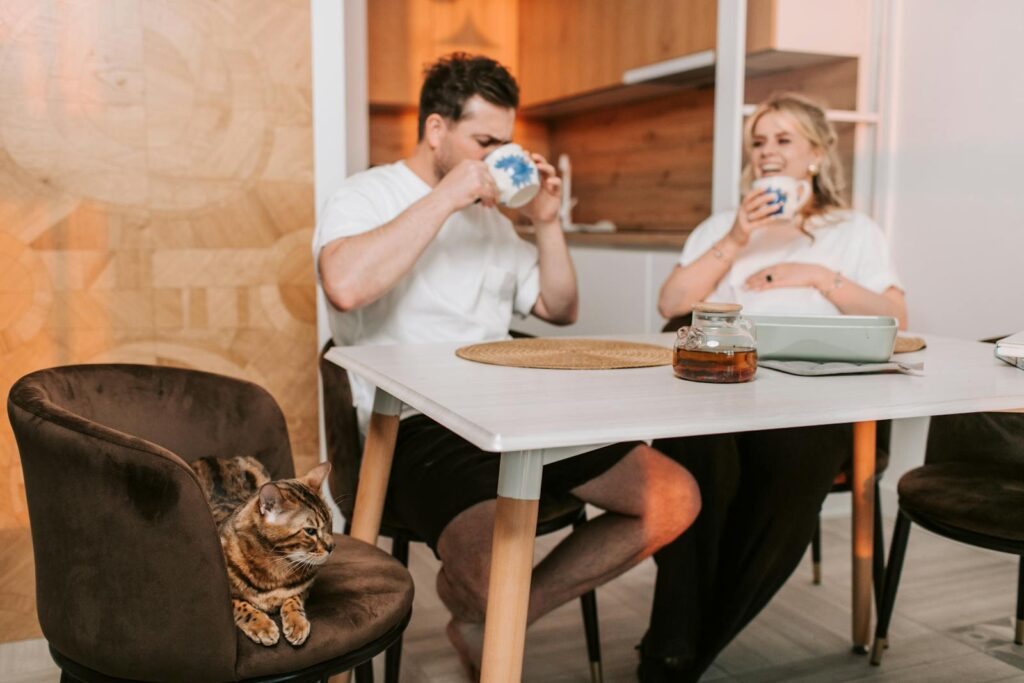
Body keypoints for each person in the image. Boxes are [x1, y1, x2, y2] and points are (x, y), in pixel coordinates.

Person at [312, 53, 700, 677]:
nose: (495, 156)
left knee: (673, 498)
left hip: (517, 404)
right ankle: (490, 608)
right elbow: (346, 287)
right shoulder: (368, 194)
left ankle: (489, 623)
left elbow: (560, 308)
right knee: (494, 575)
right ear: (437, 130)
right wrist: (446, 196)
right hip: (415, 423)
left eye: (504, 142)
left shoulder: (494, 221)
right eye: (483, 142)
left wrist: (546, 223)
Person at [638, 92, 907, 681]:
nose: (767, 152)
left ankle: (679, 650)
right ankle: (677, 646)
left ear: (815, 154)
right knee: (691, 465)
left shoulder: (852, 230)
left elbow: (895, 318)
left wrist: (816, 275)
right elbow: (671, 306)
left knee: (792, 472)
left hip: (816, 404)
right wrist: (736, 238)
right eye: (759, 142)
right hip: (721, 393)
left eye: (783, 140)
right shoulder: (723, 228)